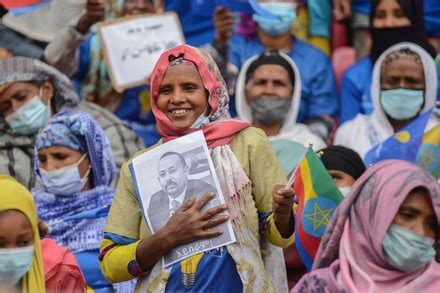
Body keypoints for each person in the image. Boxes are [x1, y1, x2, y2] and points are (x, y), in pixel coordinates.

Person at [99, 44, 295, 291]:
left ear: (211, 92)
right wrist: (168, 237)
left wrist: (283, 213)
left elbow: (279, 237)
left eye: (189, 88)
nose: (177, 98)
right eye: (165, 90)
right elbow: (109, 263)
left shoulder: (247, 142)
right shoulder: (139, 167)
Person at [293, 160, 440, 292]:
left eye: (432, 224)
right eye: (408, 215)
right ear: (369, 214)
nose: (421, 232)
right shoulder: (318, 287)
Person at [0, 57, 144, 188]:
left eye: (21, 97)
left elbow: (129, 182)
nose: (16, 109)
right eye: (6, 107)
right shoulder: (8, 146)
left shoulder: (100, 126)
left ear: (47, 89)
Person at [31, 110, 135, 291]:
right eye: (42, 159)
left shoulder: (118, 211)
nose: (49, 167)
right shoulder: (28, 214)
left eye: (60, 156)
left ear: (90, 159)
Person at [211, 1, 339, 141]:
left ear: (298, 9)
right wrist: (221, 45)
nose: (269, 90)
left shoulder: (316, 60)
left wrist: (303, 149)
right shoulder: (233, 47)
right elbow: (214, 92)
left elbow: (322, 117)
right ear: (252, 5)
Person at [44, 0, 160, 146]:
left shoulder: (168, 44)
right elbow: (53, 63)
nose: (141, 6)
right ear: (117, 4)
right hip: (101, 140)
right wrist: (81, 25)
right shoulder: (95, 44)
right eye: (132, 0)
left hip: (153, 142)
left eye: (148, 1)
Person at [339, 0, 438, 123]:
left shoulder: (436, 70)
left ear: (415, 18)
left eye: (399, 15)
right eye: (380, 16)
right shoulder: (355, 76)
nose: (389, 23)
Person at [335, 42, 438, 159]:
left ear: (428, 86)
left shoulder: (437, 135)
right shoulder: (352, 133)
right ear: (378, 85)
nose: (401, 87)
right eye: (392, 80)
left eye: (411, 81)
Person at [0, 175, 86, 292]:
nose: (11, 256)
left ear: (34, 236)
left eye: (23, 243)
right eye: (0, 244)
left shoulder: (59, 274)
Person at [236, 50, 326, 149]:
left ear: (293, 93)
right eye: (261, 82)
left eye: (278, 83)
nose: (269, 91)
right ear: (245, 92)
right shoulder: (227, 142)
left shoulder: (309, 146)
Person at [147, 151, 216, 232]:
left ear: (186, 171)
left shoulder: (205, 190)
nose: (168, 178)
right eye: (162, 174)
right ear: (159, 180)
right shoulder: (155, 201)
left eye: (172, 171)